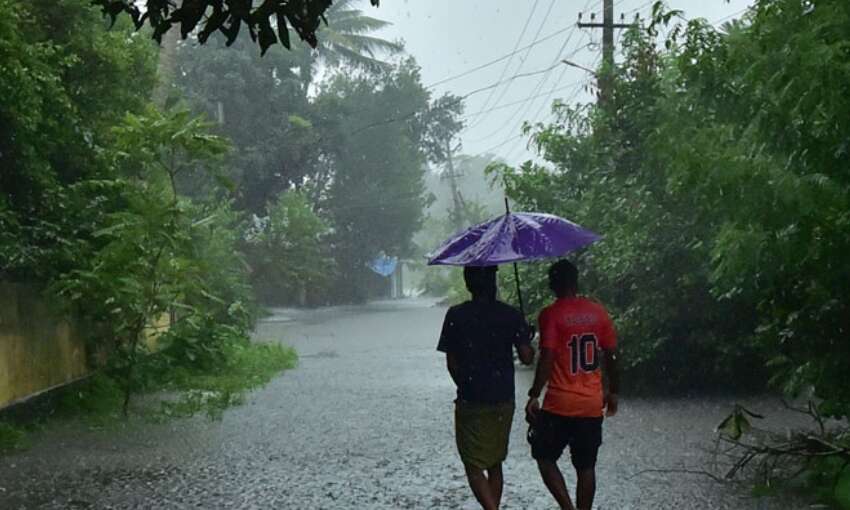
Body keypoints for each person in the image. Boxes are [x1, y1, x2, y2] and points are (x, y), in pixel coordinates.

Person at [525, 260, 620, 510]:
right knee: (586, 466)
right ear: (576, 282)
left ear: (552, 285)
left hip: (559, 404)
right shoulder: (599, 312)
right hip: (590, 404)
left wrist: (534, 393)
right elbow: (611, 355)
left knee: (544, 457)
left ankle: (567, 507)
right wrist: (613, 391)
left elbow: (547, 357)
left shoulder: (550, 314)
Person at [437, 265, 535, 510]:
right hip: (503, 397)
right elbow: (526, 358)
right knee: (495, 462)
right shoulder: (511, 315)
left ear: (468, 283)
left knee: (472, 464)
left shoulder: (455, 315)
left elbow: (451, 363)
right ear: (494, 282)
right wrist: (528, 336)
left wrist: (466, 386)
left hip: (471, 398)